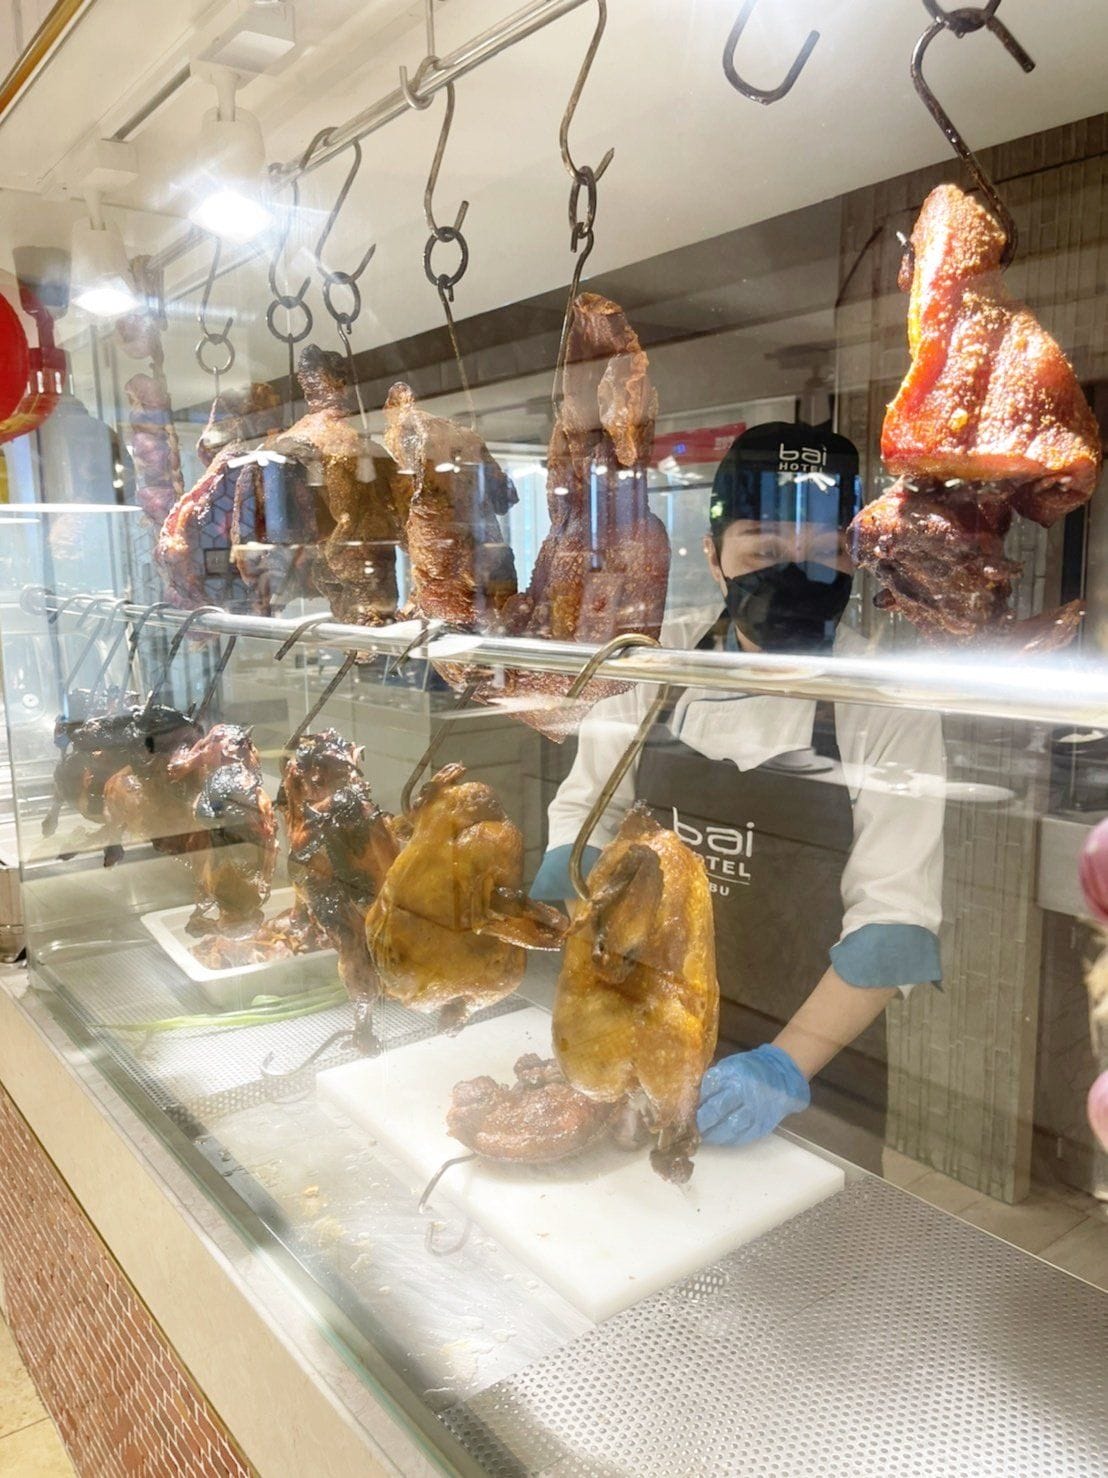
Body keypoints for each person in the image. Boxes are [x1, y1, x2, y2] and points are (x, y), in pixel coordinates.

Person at [531, 421, 945, 1149]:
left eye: (826, 553)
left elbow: (893, 920)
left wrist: (783, 1068)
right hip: (644, 1023)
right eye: (765, 551)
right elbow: (583, 819)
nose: (797, 574)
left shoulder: (886, 700)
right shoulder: (659, 664)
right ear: (714, 556)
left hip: (812, 1064)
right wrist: (611, 987)